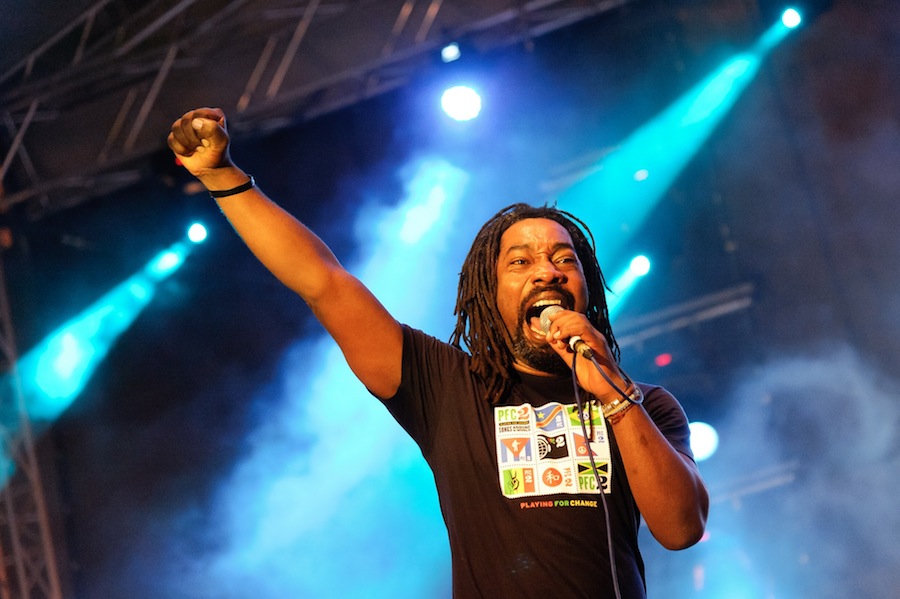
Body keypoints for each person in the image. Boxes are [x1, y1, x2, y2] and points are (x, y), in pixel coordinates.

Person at [168, 107, 709, 598]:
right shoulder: (446, 386)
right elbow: (324, 282)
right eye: (520, 262)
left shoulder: (647, 407)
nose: (547, 271)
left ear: (587, 286)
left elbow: (681, 529)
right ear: (489, 293)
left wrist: (614, 395)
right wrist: (222, 176)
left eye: (564, 260)